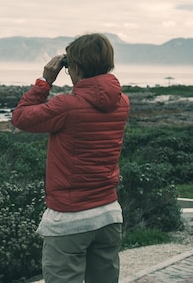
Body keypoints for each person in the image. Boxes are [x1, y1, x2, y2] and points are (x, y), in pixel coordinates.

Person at [11, 33, 130, 283]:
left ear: (75, 66)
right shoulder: (122, 102)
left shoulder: (66, 106)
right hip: (109, 214)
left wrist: (45, 81)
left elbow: (20, 118)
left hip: (70, 220)